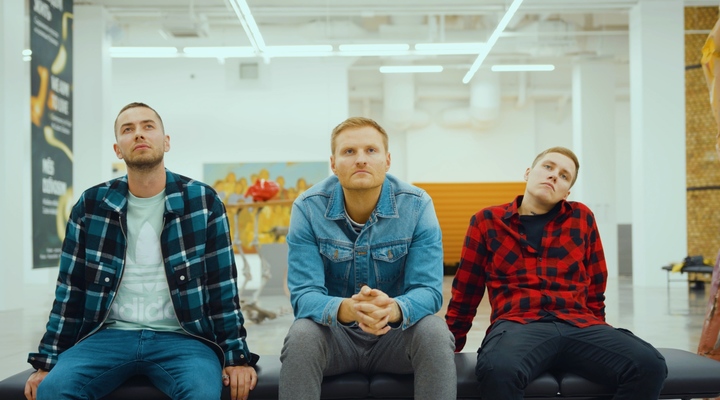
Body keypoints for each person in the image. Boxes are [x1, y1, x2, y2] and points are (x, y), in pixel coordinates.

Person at [24, 102, 258, 400]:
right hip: (107, 337)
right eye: (128, 129)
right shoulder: (92, 205)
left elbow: (222, 287)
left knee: (201, 392)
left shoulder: (203, 201)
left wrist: (236, 357)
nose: (138, 134)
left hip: (183, 338)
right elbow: (70, 289)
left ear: (166, 141)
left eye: (148, 126)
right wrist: (47, 362)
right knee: (54, 390)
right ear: (117, 149)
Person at [445, 146, 668, 399]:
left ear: (567, 192)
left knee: (649, 364)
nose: (553, 176)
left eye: (564, 176)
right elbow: (466, 292)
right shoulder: (487, 221)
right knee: (498, 369)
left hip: (578, 323)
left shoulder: (582, 217)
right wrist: (450, 347)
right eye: (548, 167)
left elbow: (596, 286)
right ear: (528, 173)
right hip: (519, 324)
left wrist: (599, 335)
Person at [279, 117, 456, 399]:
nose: (361, 159)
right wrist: (351, 310)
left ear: (387, 160)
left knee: (434, 330)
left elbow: (429, 291)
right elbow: (304, 295)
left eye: (371, 150)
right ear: (333, 163)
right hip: (335, 338)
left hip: (395, 337)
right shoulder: (307, 208)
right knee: (302, 334)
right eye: (349, 151)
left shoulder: (417, 205)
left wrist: (393, 310)